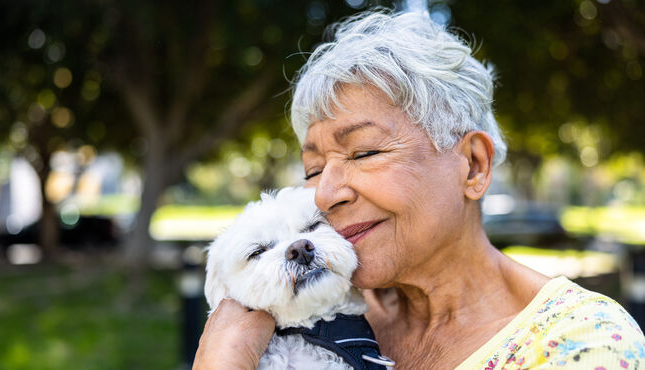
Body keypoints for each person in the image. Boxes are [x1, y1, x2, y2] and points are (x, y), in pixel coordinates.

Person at [194, 10, 645, 369]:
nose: (326, 193)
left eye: (364, 153)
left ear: (473, 165)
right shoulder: (314, 308)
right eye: (313, 169)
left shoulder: (580, 344)